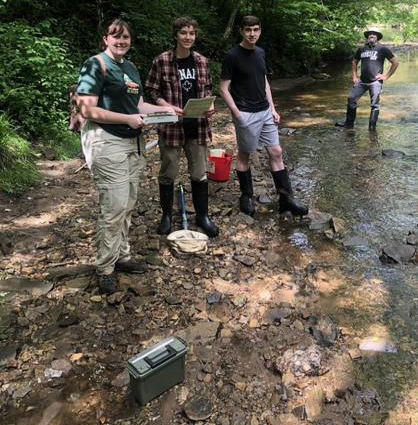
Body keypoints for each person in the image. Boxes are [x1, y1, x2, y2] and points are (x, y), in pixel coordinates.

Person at [76, 18, 175, 295]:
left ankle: (122, 255)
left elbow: (139, 104)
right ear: (105, 39)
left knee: (128, 202)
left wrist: (166, 110)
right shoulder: (95, 65)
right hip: (106, 142)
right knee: (114, 205)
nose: (121, 41)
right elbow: (87, 110)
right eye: (115, 36)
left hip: (133, 143)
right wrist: (128, 119)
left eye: (126, 37)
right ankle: (105, 267)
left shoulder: (130, 67)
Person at [219, 15, 308, 218]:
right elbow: (224, 88)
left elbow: (264, 80)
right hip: (245, 113)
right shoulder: (232, 56)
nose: (252, 34)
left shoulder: (260, 52)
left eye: (256, 30)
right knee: (245, 155)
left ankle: (286, 201)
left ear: (260, 31)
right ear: (241, 31)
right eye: (248, 30)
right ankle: (246, 196)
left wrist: (273, 108)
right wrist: (237, 113)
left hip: (265, 111)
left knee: (276, 152)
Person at [145, 17, 219, 238]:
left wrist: (211, 105)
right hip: (170, 127)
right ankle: (166, 215)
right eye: (184, 33)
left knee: (199, 173)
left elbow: (207, 90)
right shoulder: (162, 61)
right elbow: (152, 89)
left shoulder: (202, 62)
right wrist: (164, 105)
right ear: (176, 35)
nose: (188, 37)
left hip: (197, 127)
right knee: (168, 173)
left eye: (192, 33)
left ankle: (202, 216)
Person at [335, 27, 399, 131]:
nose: (372, 35)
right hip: (362, 81)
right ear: (367, 37)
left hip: (375, 82)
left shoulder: (382, 49)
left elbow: (395, 62)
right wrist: (354, 76)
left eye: (374, 34)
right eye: (370, 34)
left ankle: (372, 128)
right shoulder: (362, 49)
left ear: (377, 37)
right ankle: (349, 124)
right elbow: (354, 61)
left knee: (374, 105)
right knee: (351, 98)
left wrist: (386, 76)